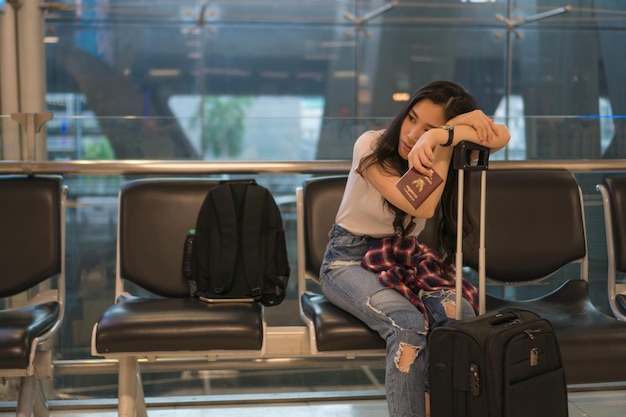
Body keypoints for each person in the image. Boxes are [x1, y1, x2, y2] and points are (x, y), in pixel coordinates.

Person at [319, 80, 510, 417]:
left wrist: (439, 137)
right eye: (412, 119)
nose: (412, 134)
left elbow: (504, 136)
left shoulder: (434, 145)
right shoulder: (370, 146)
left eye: (427, 126)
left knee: (456, 317)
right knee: (408, 324)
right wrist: (446, 139)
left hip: (403, 258)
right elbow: (420, 205)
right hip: (346, 262)